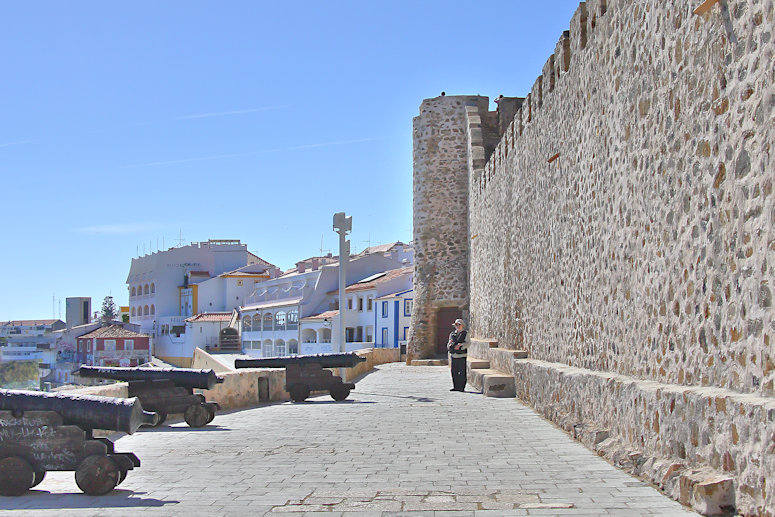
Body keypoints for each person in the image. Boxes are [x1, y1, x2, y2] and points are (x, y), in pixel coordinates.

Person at [448, 318, 469, 392]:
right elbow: (449, 342)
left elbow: (468, 343)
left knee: (462, 372)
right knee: (454, 372)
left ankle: (461, 387)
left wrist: (461, 345)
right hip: (454, 355)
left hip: (461, 355)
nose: (457, 326)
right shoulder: (452, 334)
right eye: (456, 324)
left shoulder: (465, 333)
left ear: (462, 325)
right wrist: (450, 345)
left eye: (459, 324)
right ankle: (455, 386)